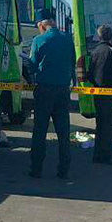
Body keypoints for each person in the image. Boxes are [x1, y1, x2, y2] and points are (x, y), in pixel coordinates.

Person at [28, 9, 76, 179]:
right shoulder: (67, 39)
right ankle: (64, 169)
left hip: (45, 91)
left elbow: (32, 66)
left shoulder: (39, 40)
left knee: (40, 130)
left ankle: (36, 168)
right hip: (63, 90)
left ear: (41, 24)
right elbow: (73, 62)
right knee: (63, 132)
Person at [88, 24, 112, 165]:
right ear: (111, 36)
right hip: (109, 94)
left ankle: (97, 155)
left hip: (97, 93)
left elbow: (90, 75)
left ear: (99, 36)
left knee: (100, 124)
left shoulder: (95, 51)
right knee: (109, 126)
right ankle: (107, 157)